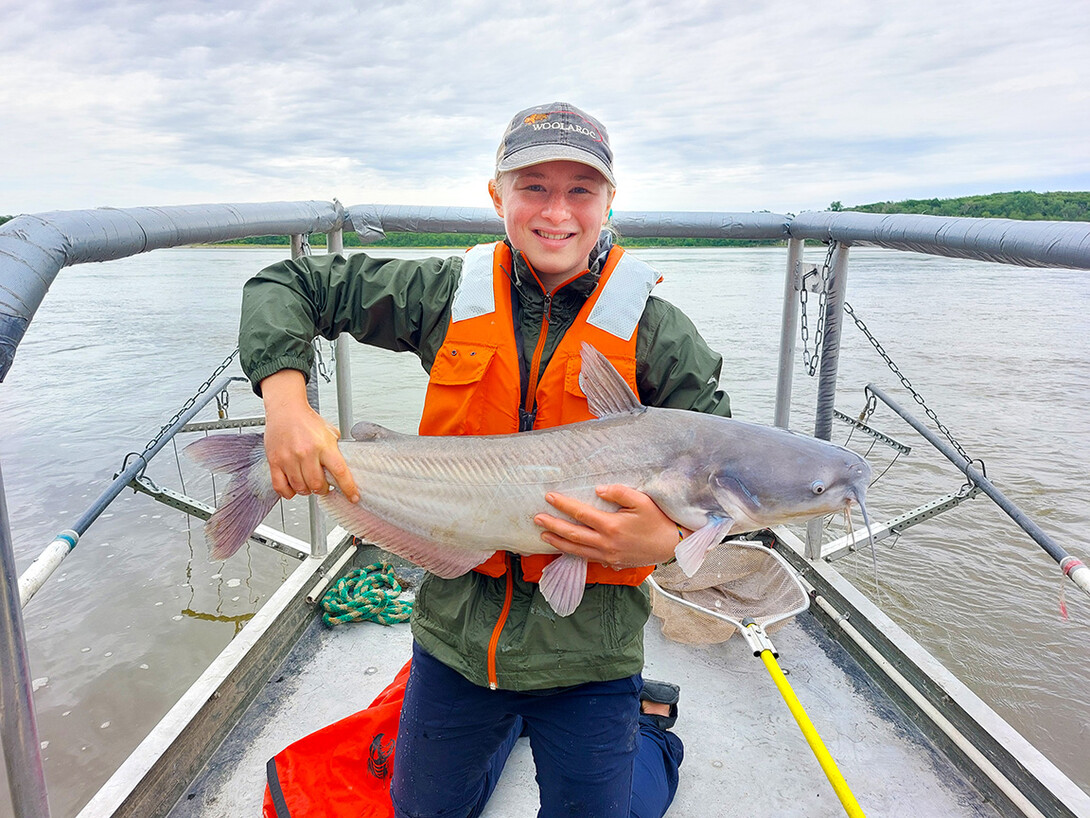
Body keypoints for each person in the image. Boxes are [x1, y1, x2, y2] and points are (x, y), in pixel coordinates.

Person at [240, 102, 732, 818]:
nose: (556, 211)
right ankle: (503, 730)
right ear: (497, 195)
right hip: (459, 638)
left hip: (589, 654)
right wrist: (286, 401)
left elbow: (729, 470)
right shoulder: (444, 294)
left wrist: (666, 538)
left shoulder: (660, 334)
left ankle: (651, 737)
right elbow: (288, 284)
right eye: (532, 186)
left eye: (580, 190)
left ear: (609, 201)